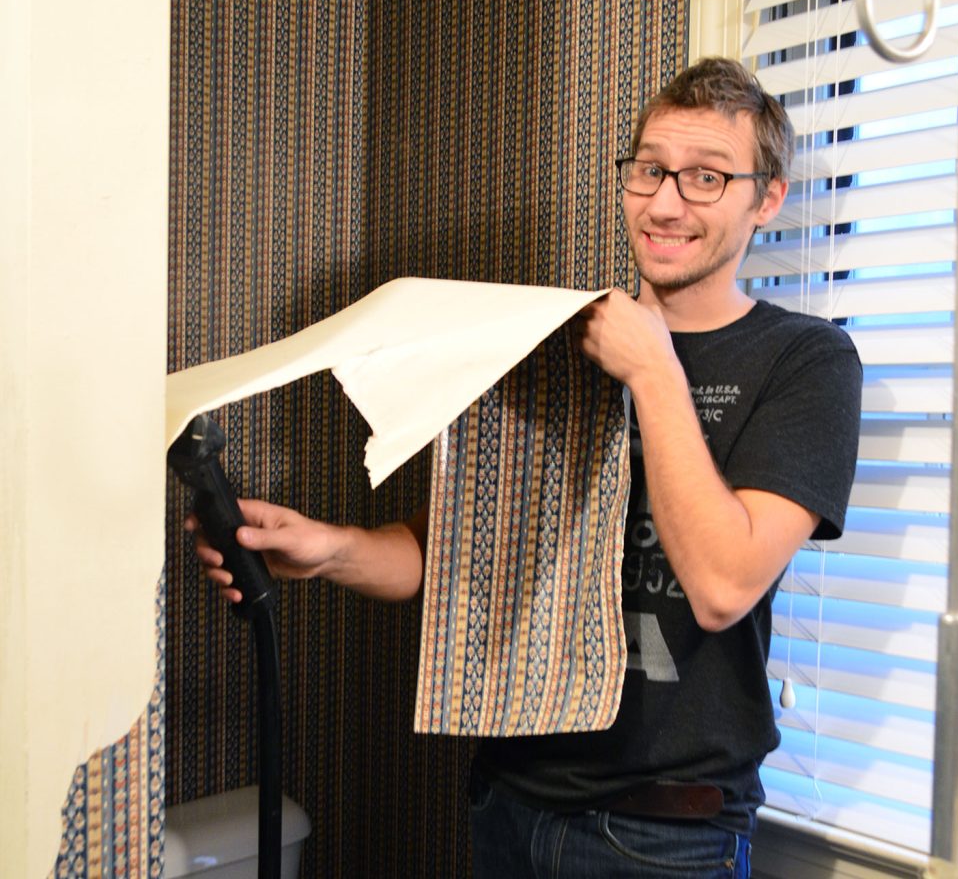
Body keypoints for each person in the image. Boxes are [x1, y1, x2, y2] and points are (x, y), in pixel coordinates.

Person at [192, 56, 862, 878]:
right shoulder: (552, 341)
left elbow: (723, 586)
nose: (663, 203)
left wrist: (653, 370)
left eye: (705, 179)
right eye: (649, 170)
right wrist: (333, 550)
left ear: (766, 198)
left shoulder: (807, 361)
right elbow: (471, 558)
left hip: (664, 836)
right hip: (509, 801)